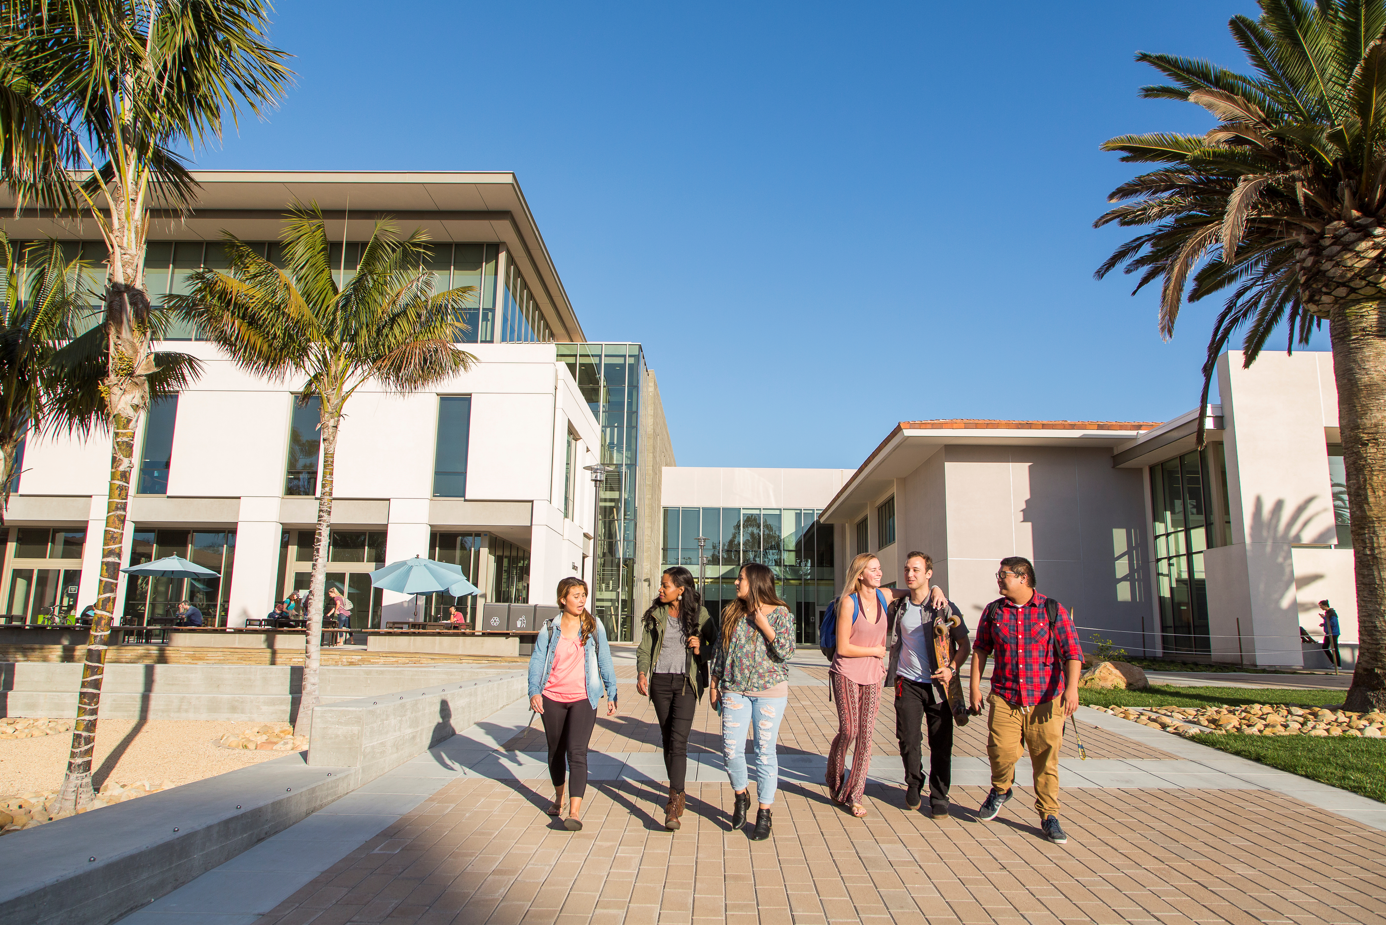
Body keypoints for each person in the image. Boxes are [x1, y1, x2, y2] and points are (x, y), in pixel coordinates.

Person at [969, 556, 1083, 844]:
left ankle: (1049, 815)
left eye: (1003, 574)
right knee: (1000, 752)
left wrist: (1072, 689)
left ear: (1023, 577)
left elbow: (1072, 652)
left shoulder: (1051, 610)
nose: (998, 578)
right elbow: (981, 649)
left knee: (1045, 760)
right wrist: (973, 687)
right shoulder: (994, 611)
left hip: (1046, 700)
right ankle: (1001, 789)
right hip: (1006, 697)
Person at [708, 562, 795, 841]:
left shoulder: (781, 613)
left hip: (770, 692)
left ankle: (765, 812)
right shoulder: (732, 612)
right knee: (731, 750)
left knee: (764, 753)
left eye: (741, 578)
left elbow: (786, 652)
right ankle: (741, 794)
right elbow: (721, 651)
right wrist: (714, 681)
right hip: (734, 690)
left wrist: (765, 626)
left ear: (756, 582)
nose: (736, 582)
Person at [526, 576, 619, 831]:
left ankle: (575, 812)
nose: (581, 600)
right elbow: (537, 661)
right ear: (562, 599)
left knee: (577, 753)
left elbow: (605, 659)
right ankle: (559, 797)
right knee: (555, 751)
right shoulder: (549, 628)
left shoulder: (593, 625)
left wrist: (612, 692)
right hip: (552, 697)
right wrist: (534, 691)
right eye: (576, 596)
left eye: (583, 595)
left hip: (583, 698)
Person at [884, 552, 970, 817]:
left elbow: (965, 644)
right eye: (907, 569)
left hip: (939, 685)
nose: (910, 574)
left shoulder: (944, 608)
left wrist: (952, 669)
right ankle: (914, 781)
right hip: (907, 682)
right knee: (908, 739)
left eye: (917, 570)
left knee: (941, 743)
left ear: (929, 573)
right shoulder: (899, 607)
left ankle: (940, 795)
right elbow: (877, 591)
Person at [635, 566, 715, 831]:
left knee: (678, 742)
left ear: (681, 590)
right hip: (659, 682)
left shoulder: (700, 615)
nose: (661, 589)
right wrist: (642, 673)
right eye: (661, 585)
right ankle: (677, 792)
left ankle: (674, 801)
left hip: (685, 684)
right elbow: (644, 648)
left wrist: (700, 647)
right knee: (667, 738)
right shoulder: (656, 615)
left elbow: (716, 645)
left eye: (665, 585)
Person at [1319, 600, 1341, 668]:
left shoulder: (1332, 613)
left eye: (1321, 606)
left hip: (1333, 633)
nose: (1321, 608)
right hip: (1328, 633)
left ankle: (1338, 665)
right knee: (1325, 647)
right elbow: (1329, 622)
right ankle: (1334, 662)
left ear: (1325, 605)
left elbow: (1333, 623)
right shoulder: (1327, 613)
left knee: (1334, 648)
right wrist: (1324, 624)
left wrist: (1324, 618)